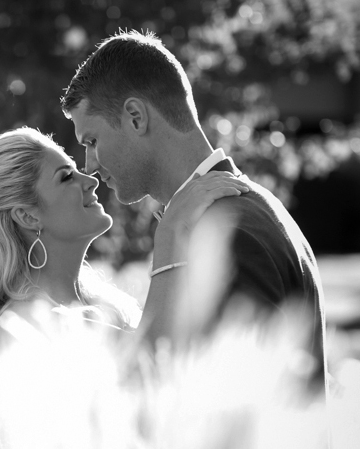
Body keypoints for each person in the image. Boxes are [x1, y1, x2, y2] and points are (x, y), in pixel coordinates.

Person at [60, 30, 326, 393]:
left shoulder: (227, 235)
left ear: (136, 117)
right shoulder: (252, 206)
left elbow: (241, 412)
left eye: (91, 141)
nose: (88, 165)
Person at [0, 127, 248, 357]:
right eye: (66, 177)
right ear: (28, 216)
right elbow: (153, 363)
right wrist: (170, 232)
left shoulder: (106, 304)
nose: (90, 180)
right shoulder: (21, 326)